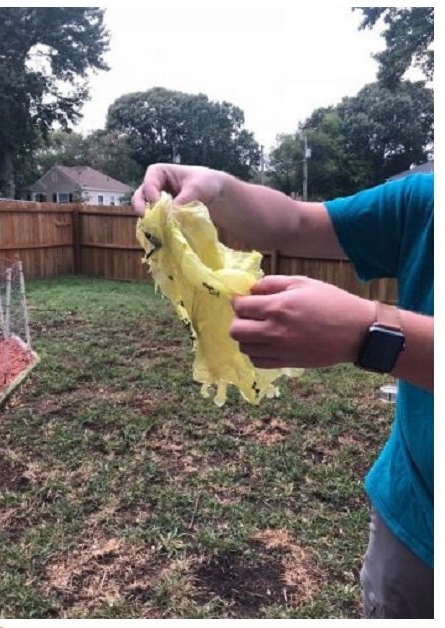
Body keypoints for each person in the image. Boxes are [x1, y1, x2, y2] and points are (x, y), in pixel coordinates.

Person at [132, 164, 433, 618]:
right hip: (414, 516)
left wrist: (370, 334)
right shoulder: (425, 200)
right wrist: (219, 190)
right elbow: (296, 221)